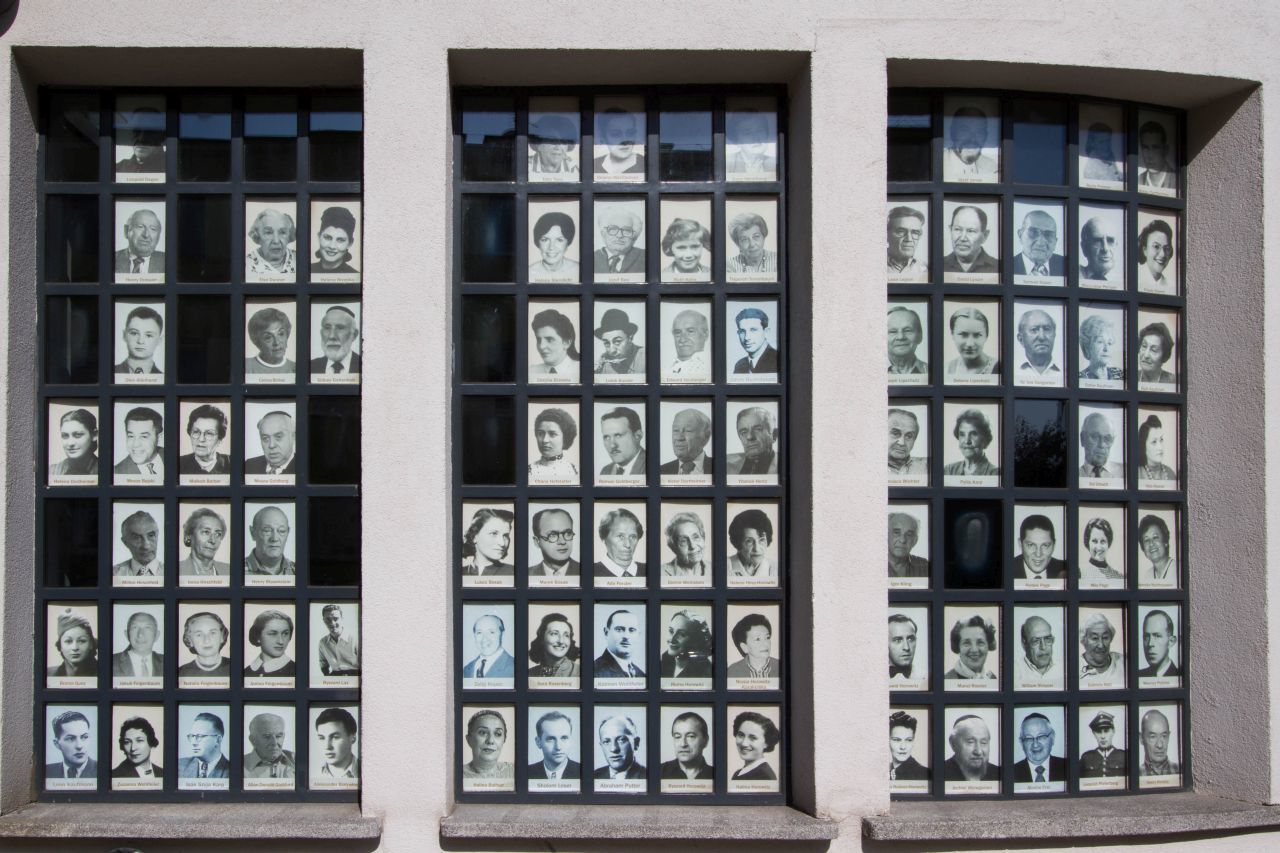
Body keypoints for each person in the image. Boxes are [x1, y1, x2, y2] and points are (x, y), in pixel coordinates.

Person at [528, 407, 580, 482]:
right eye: (540, 433)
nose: (545, 440)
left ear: (565, 437)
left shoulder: (575, 471)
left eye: (552, 434)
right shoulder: (528, 471)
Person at [461, 506, 515, 577]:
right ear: (474, 537)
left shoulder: (513, 572)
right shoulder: (460, 573)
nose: (502, 543)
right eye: (493, 533)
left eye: (505, 536)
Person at [944, 105, 997, 179]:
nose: (972, 139)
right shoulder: (939, 164)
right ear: (952, 132)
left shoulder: (991, 167)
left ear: (985, 136)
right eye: (965, 130)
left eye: (979, 132)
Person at [943, 408, 998, 477]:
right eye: (962, 434)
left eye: (973, 434)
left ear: (985, 439)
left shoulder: (995, 473)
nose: (967, 441)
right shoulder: (949, 470)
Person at [942, 714, 999, 782]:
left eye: (984, 742)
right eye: (970, 742)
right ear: (953, 744)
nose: (978, 751)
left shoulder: (999, 774)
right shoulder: (939, 772)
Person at [1013, 713, 1067, 784]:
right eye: (1028, 738)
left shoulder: (1068, 767)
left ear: (1052, 738)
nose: (1035, 745)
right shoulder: (1011, 772)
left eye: (1041, 737)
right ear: (1021, 742)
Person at [659, 609, 712, 679]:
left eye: (682, 634)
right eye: (671, 631)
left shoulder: (707, 673)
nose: (672, 639)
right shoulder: (662, 662)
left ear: (696, 641)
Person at [943, 205, 997, 274]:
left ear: (985, 235)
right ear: (950, 230)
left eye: (970, 231)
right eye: (957, 229)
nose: (962, 238)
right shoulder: (936, 265)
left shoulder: (998, 267)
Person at [178, 507, 230, 578]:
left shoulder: (229, 570)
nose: (213, 540)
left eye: (218, 534)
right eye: (206, 532)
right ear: (189, 535)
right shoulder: (178, 570)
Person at [945, 306, 999, 376]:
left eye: (977, 335)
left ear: (986, 336)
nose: (970, 344)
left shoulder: (999, 367)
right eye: (963, 335)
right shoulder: (946, 368)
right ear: (952, 334)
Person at [178, 404, 230, 475]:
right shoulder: (178, 463)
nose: (201, 439)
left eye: (209, 433)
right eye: (196, 432)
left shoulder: (232, 464)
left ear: (220, 439)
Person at [726, 406, 778, 476]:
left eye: (758, 429)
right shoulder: (725, 464)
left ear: (774, 435)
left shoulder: (786, 465)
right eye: (744, 432)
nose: (749, 437)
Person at [245, 505, 296, 577]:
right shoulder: (235, 570)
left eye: (281, 531)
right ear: (253, 533)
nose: (274, 538)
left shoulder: (298, 571)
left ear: (287, 533)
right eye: (267, 530)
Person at [310, 305, 361, 375]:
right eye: (327, 328)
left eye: (340, 328)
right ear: (321, 333)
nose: (332, 336)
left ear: (354, 335)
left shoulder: (365, 365)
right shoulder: (311, 366)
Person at [727, 612, 780, 680]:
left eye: (767, 637)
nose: (765, 643)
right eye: (758, 639)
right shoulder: (733, 671)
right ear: (744, 647)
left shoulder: (780, 667)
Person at [528, 711, 580, 780]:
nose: (558, 747)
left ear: (570, 740)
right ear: (538, 742)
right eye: (551, 739)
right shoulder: (527, 773)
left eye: (564, 738)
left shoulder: (582, 771)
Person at [529, 308, 579, 379]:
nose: (541, 346)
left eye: (550, 339)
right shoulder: (530, 372)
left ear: (566, 343)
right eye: (538, 339)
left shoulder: (581, 371)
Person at [114, 406, 163, 478]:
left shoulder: (177, 459)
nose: (135, 444)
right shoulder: (116, 473)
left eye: (144, 436)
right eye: (131, 436)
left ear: (159, 437)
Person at [244, 609, 296, 679]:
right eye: (273, 634)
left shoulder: (295, 670)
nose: (281, 641)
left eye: (285, 633)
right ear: (258, 636)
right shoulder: (246, 672)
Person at [661, 712, 713, 780]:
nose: (683, 744)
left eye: (691, 736)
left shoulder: (715, 774)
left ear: (705, 740)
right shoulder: (659, 771)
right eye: (677, 736)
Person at [660, 408, 713, 476]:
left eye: (688, 431)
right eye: (676, 430)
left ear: (706, 436)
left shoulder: (726, 469)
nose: (679, 438)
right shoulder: (661, 471)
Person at [529, 508, 580, 577]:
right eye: (552, 535)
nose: (562, 541)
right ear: (537, 542)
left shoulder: (590, 571)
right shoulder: (527, 574)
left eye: (568, 533)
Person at [47, 608, 98, 678]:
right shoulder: (48, 674)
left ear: (91, 644)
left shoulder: (109, 672)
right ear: (60, 645)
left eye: (82, 641)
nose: (75, 648)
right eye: (68, 641)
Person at [110, 611, 163, 678]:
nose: (140, 634)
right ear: (127, 634)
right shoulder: (110, 662)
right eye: (135, 627)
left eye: (147, 628)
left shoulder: (168, 662)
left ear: (157, 635)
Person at [246, 207, 297, 277]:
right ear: (257, 235)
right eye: (268, 233)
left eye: (282, 232)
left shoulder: (300, 258)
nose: (276, 241)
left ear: (289, 235)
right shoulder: (245, 264)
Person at [528, 612, 580, 679]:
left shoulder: (580, 672)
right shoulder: (530, 674)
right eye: (554, 634)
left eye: (566, 635)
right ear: (542, 638)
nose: (561, 641)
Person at [244, 306, 295, 375]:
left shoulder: (295, 368)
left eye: (281, 334)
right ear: (256, 341)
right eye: (268, 337)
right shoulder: (246, 366)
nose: (276, 342)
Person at [1014, 209, 1065, 277]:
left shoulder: (1067, 265)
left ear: (1055, 242)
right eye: (1033, 233)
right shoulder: (1004, 266)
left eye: (1048, 235)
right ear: (1020, 235)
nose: (1040, 242)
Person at [593, 206, 645, 273]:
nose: (619, 235)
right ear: (603, 234)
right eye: (613, 229)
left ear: (634, 236)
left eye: (627, 230)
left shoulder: (645, 257)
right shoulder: (590, 258)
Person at [112, 510, 162, 578]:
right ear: (125, 542)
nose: (146, 546)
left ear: (157, 536)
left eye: (151, 535)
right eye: (136, 538)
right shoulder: (113, 574)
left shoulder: (174, 572)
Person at [594, 308, 645, 375]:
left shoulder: (647, 357)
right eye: (606, 343)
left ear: (630, 337)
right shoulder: (602, 362)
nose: (612, 350)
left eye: (617, 341)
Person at [529, 210, 580, 279]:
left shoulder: (578, 270)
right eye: (545, 240)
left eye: (559, 240)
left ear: (567, 243)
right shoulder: (529, 272)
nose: (551, 247)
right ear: (538, 243)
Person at [178, 611, 230, 677]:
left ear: (222, 636)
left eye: (213, 633)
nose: (207, 640)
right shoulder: (181, 673)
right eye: (199, 635)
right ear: (190, 640)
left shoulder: (236, 668)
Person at [46, 710, 96, 780]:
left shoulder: (103, 769)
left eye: (84, 737)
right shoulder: (47, 771)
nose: (79, 746)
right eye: (71, 739)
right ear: (57, 744)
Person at [49, 408, 98, 478]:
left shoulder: (108, 470)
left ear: (94, 435)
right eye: (65, 436)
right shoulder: (51, 471)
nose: (70, 443)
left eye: (77, 435)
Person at [731, 711, 780, 781]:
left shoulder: (765, 776)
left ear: (766, 743)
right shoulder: (738, 773)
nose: (744, 743)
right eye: (741, 735)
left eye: (753, 738)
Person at [594, 609, 644, 677]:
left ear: (638, 635)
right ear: (606, 633)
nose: (626, 636)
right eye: (619, 629)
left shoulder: (641, 675)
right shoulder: (595, 671)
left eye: (632, 630)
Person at [178, 712, 229, 778]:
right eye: (192, 736)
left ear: (218, 740)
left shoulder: (233, 770)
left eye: (200, 736)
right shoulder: (179, 765)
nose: (193, 742)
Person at [244, 712, 294, 779]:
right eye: (267, 737)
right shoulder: (238, 765)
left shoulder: (295, 759)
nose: (274, 742)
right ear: (253, 740)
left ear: (284, 737)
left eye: (278, 736)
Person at [114, 305, 164, 375]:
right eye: (134, 333)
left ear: (159, 340)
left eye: (149, 335)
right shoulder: (111, 372)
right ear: (124, 335)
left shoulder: (163, 377)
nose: (140, 341)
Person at [1015, 514, 1066, 581]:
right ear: (1020, 544)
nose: (1038, 554)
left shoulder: (1066, 569)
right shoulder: (1005, 569)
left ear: (1054, 545)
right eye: (1031, 545)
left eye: (1045, 545)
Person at [945, 615, 996, 681]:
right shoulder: (947, 680)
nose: (974, 650)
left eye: (980, 642)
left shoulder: (992, 678)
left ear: (988, 645)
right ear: (958, 647)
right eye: (967, 643)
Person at [114, 208, 165, 275]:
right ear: (126, 231)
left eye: (153, 229)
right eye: (140, 227)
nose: (146, 235)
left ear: (159, 235)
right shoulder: (112, 260)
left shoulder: (167, 261)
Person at [595, 109, 645, 176]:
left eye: (630, 133)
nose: (624, 141)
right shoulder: (594, 164)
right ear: (603, 137)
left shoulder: (645, 163)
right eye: (616, 134)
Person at [463, 613, 514, 679]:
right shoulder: (466, 669)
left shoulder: (514, 667)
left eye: (491, 632)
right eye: (479, 633)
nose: (484, 639)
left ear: (502, 634)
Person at [245, 410, 296, 475]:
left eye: (278, 437)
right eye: (265, 438)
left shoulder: (305, 467)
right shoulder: (249, 465)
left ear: (293, 436)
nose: (271, 445)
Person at [1079, 611, 1124, 686]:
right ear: (1084, 640)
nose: (1101, 645)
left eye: (1105, 637)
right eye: (1095, 638)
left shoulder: (1123, 662)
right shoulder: (1074, 666)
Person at [598, 406, 646, 477]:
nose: (612, 445)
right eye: (607, 437)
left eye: (618, 435)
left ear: (638, 436)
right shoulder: (605, 471)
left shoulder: (654, 467)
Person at [595, 714, 645, 779]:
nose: (614, 749)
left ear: (636, 743)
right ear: (601, 745)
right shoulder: (594, 776)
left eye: (621, 740)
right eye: (607, 741)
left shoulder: (647, 776)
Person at [729, 508, 775, 579]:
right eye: (749, 541)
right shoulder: (725, 566)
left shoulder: (776, 568)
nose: (756, 549)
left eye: (762, 540)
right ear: (738, 542)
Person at [315, 707, 360, 780]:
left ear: (353, 738)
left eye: (335, 737)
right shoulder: (313, 776)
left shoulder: (368, 771)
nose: (327, 746)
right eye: (322, 738)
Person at [311, 205, 359, 274]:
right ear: (319, 236)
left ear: (350, 243)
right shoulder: (308, 271)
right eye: (327, 238)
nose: (332, 246)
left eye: (340, 240)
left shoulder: (354, 276)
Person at [727, 109, 776, 175]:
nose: (756, 138)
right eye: (747, 133)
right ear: (737, 141)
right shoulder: (728, 163)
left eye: (760, 130)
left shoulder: (774, 163)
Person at [1015, 308, 1060, 378]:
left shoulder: (1066, 371)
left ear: (1054, 335)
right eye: (1034, 330)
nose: (1042, 337)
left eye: (1047, 329)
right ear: (1021, 339)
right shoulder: (1012, 370)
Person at [1080, 711, 1127, 778]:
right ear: (1094, 733)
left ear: (1113, 731)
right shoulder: (1086, 757)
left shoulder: (1123, 756)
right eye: (1098, 732)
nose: (1103, 736)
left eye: (1106, 731)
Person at [886, 205, 928, 281]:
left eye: (915, 232)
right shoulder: (873, 266)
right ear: (886, 235)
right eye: (901, 231)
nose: (909, 239)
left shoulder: (926, 270)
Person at [734, 307, 780, 375]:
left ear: (766, 332)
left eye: (753, 330)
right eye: (742, 331)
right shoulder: (739, 365)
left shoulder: (778, 360)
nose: (747, 337)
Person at [661, 513, 708, 580]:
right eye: (683, 541)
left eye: (696, 537)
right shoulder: (661, 572)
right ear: (673, 547)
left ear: (703, 538)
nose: (693, 546)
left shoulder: (715, 568)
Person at [116, 109, 164, 174]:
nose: (142, 139)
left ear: (162, 136)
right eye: (136, 131)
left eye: (149, 132)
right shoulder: (118, 168)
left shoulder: (172, 168)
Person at [1014, 615, 1058, 685]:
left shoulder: (1063, 668)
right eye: (1036, 641)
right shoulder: (1014, 671)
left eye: (1047, 639)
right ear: (1024, 644)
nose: (1043, 647)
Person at [667, 309, 711, 379]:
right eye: (678, 332)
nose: (682, 339)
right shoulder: (665, 371)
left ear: (705, 334)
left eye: (690, 331)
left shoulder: (711, 369)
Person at [318, 604, 360, 677]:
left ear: (342, 618)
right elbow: (323, 665)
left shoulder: (355, 638)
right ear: (323, 621)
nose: (332, 623)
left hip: (355, 676)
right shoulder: (323, 642)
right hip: (334, 677)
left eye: (335, 618)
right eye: (328, 619)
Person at [1079, 314, 1123, 382]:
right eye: (1100, 342)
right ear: (1087, 347)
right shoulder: (1080, 377)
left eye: (1109, 343)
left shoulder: (1119, 374)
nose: (1106, 349)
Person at [887, 306, 926, 376]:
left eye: (908, 330)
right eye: (893, 331)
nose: (901, 337)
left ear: (920, 336)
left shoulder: (933, 371)